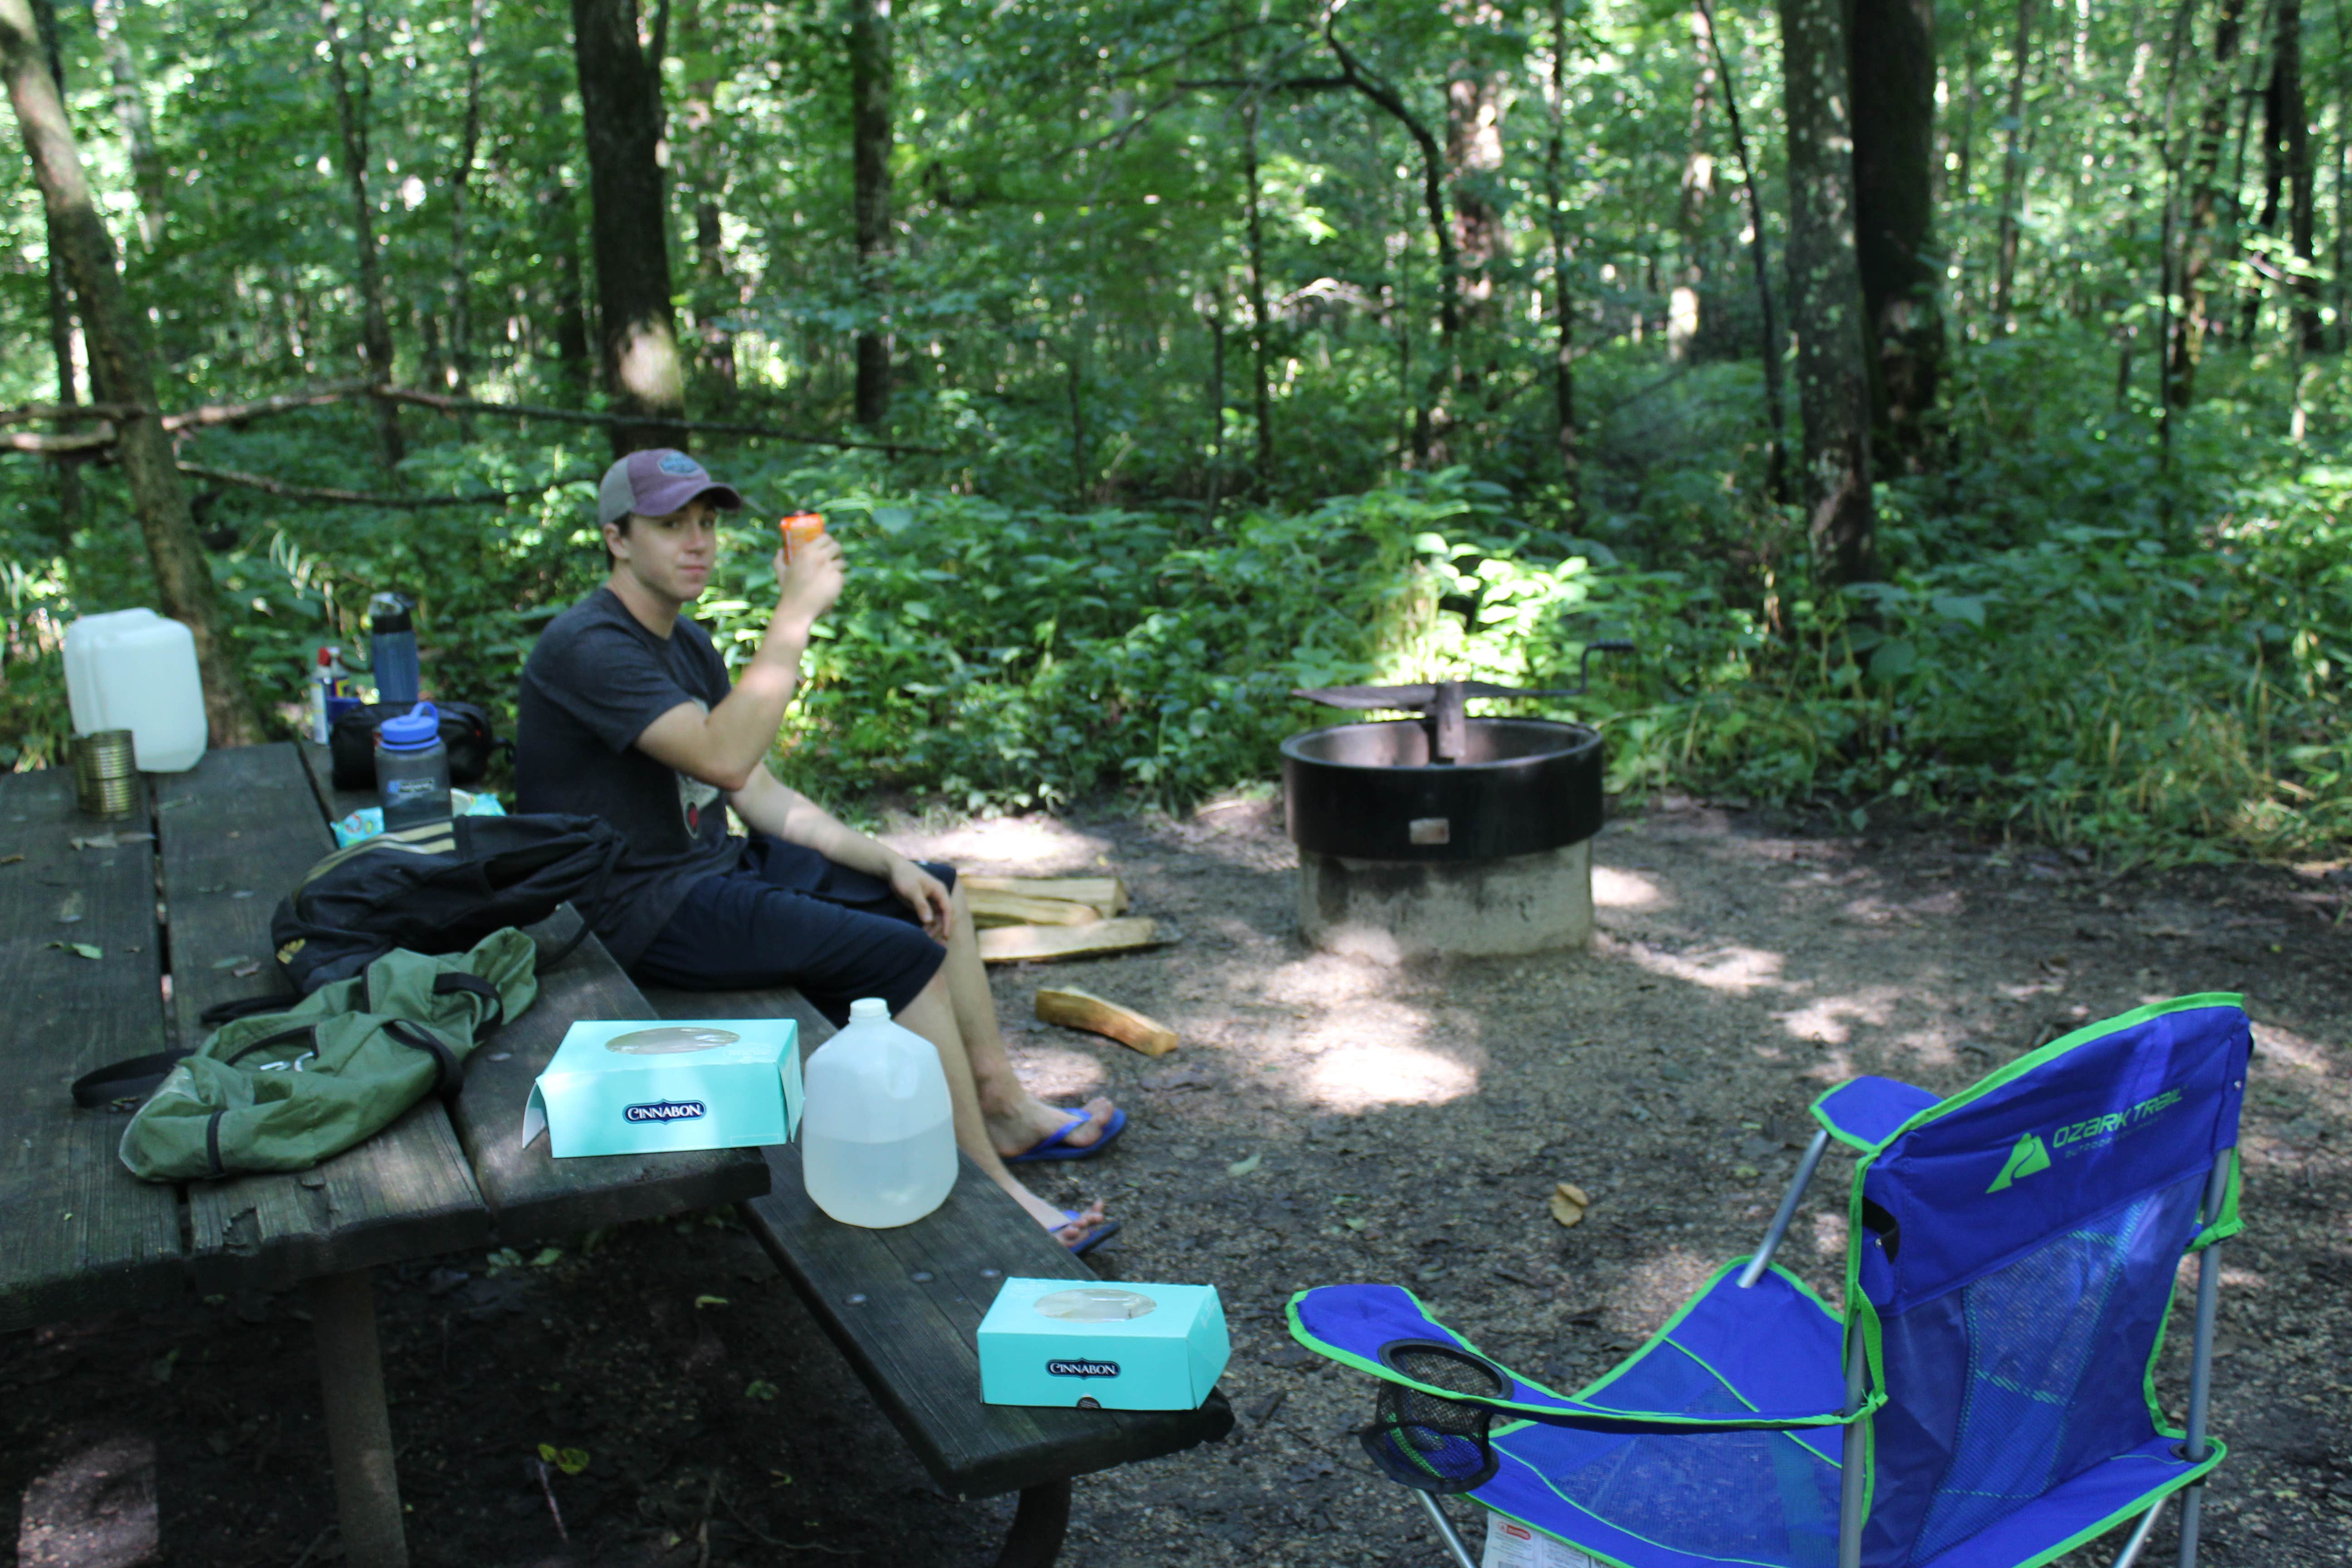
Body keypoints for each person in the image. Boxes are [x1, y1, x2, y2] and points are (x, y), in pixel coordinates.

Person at [516, 449, 1123, 1250]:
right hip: (632, 912)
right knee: (898, 955)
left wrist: (888, 861)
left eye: (706, 524)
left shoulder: (685, 642)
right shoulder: (587, 646)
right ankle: (993, 1197)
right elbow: (722, 757)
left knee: (938, 892)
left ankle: (1002, 1107)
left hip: (707, 871)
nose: (697, 542)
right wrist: (793, 616)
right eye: (670, 526)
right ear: (617, 539)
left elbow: (758, 794)